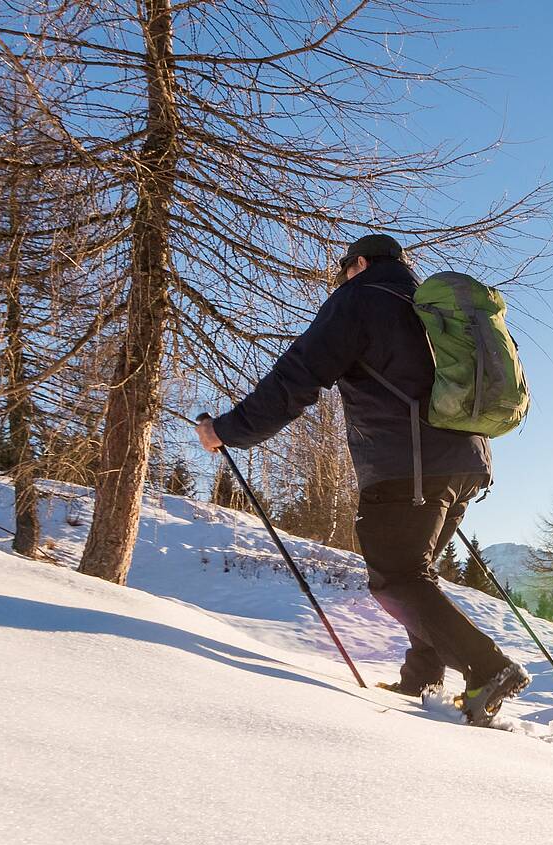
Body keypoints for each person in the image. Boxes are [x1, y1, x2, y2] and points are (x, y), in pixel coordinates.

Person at [197, 234, 529, 724]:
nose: (341, 279)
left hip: (407, 464)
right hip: (467, 462)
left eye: (343, 270)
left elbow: (298, 377)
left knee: (395, 577)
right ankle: (423, 678)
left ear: (360, 264)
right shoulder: (429, 306)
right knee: (416, 574)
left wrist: (228, 431)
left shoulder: (361, 298)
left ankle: (488, 668)